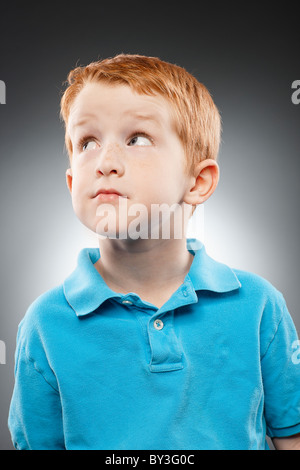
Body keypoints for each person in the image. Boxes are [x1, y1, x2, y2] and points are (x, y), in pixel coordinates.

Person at [8, 54, 300, 450]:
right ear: (72, 180)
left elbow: (291, 437)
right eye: (87, 142)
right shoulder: (45, 324)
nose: (105, 163)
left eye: (137, 139)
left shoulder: (259, 305)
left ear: (198, 181)